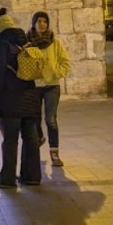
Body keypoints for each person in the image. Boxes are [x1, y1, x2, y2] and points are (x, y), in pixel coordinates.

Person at [0, 8, 42, 187]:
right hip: (31, 97)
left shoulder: (1, 43)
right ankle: (31, 176)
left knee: (10, 140)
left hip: (11, 100)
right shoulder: (25, 40)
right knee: (30, 139)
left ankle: (7, 178)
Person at [28, 11, 71, 167]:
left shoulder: (55, 42)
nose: (42, 24)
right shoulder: (28, 42)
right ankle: (39, 137)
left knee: (50, 120)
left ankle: (54, 152)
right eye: (38, 21)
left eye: (44, 21)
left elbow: (65, 62)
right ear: (33, 23)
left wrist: (55, 73)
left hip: (52, 85)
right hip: (35, 86)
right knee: (35, 118)